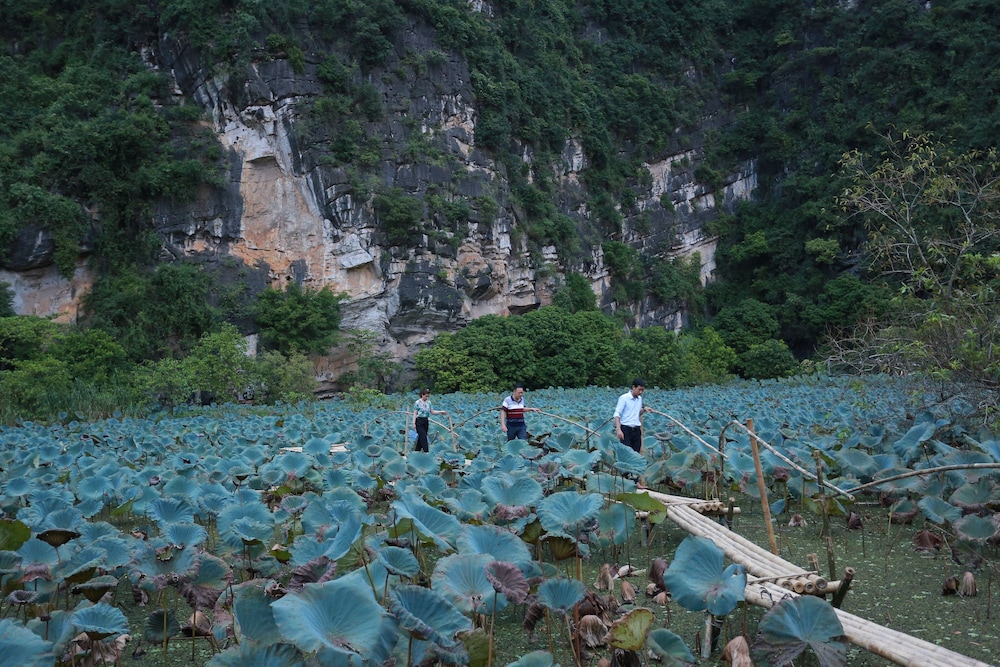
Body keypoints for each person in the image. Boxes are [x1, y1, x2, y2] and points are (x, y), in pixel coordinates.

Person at [614, 378, 648, 453]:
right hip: (626, 430)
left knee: (636, 453)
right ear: (633, 387)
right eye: (639, 389)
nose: (641, 392)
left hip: (636, 430)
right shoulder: (624, 398)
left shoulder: (639, 399)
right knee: (626, 453)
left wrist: (644, 410)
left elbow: (637, 414)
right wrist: (618, 430)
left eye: (642, 390)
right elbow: (617, 414)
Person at [412, 388, 447, 453]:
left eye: (428, 396)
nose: (427, 398)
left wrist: (441, 412)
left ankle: (416, 451)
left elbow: (432, 411)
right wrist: (413, 423)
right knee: (423, 437)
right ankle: (426, 452)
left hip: (425, 421)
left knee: (421, 437)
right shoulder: (417, 402)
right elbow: (415, 413)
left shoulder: (429, 402)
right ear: (422, 395)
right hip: (419, 421)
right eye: (426, 396)